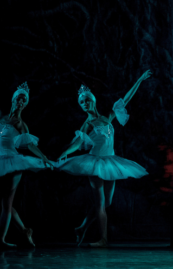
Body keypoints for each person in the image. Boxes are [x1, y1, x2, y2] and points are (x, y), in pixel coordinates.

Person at [56, 71, 151, 247]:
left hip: (110, 161)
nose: (85, 104)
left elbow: (125, 99)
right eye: (82, 102)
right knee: (100, 203)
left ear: (93, 100)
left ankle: (82, 228)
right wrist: (62, 155)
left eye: (87, 100)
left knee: (107, 202)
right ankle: (103, 239)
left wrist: (139, 80)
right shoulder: (87, 124)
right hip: (95, 163)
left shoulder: (107, 116)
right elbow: (77, 144)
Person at [0, 83, 54, 247]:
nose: (21, 102)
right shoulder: (2, 118)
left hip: (12, 162)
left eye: (24, 100)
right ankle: (24, 231)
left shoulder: (21, 124)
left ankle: (1, 240)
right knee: (5, 203)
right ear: (13, 99)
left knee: (7, 202)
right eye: (19, 98)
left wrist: (43, 157)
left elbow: (30, 145)